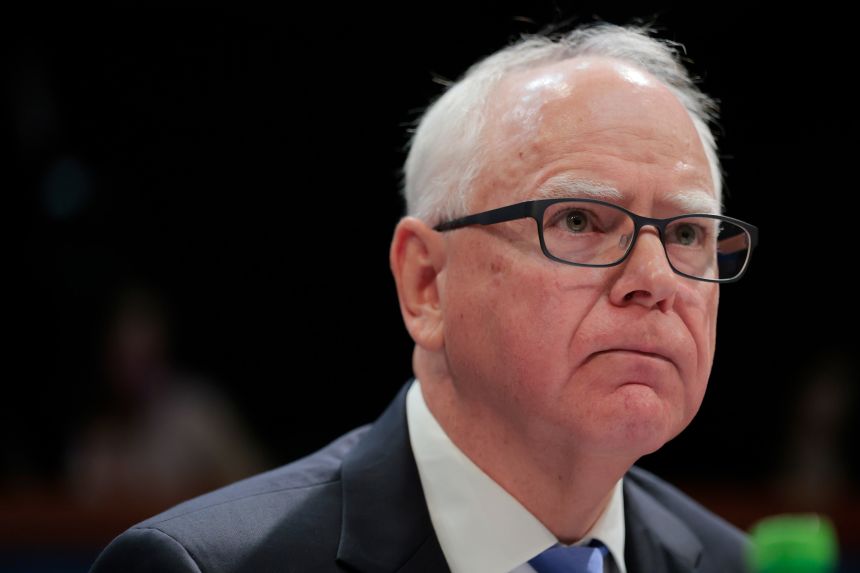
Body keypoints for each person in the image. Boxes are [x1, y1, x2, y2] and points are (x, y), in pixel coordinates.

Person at [90, 20, 759, 573]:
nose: (656, 278)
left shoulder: (733, 564)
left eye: (686, 232)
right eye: (578, 220)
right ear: (426, 284)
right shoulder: (205, 565)